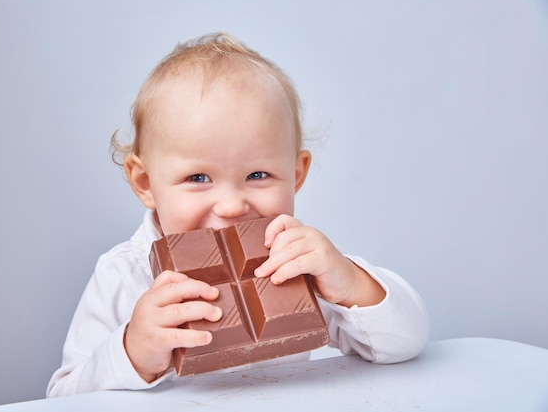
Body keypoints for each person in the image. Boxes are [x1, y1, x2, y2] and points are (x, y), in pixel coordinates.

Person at [47, 32, 429, 397]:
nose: (231, 207)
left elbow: (405, 343)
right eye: (197, 178)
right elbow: (62, 396)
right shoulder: (121, 275)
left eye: (257, 175)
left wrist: (349, 281)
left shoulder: (300, 265)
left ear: (296, 174)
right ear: (145, 182)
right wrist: (133, 352)